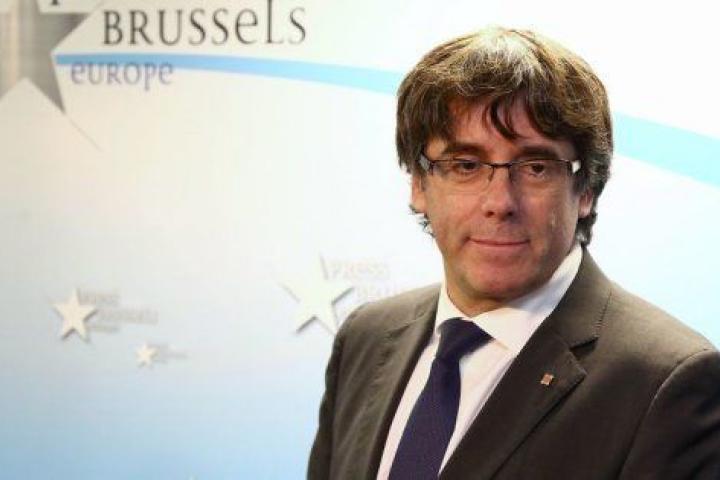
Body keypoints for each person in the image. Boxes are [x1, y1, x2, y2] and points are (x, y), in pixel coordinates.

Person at [307, 27, 720, 480]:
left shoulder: (664, 381)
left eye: (535, 167)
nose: (499, 201)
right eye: (465, 165)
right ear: (419, 184)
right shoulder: (366, 338)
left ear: (585, 189)